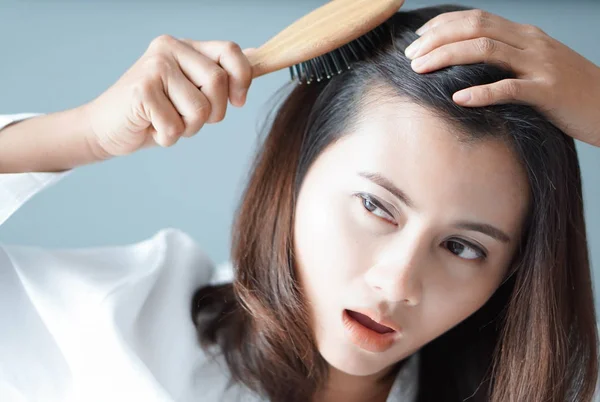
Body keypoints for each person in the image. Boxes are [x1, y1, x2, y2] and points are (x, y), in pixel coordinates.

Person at [0, 4, 598, 402]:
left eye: (463, 246)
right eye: (375, 206)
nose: (397, 282)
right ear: (298, 168)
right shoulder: (108, 324)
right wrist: (80, 134)